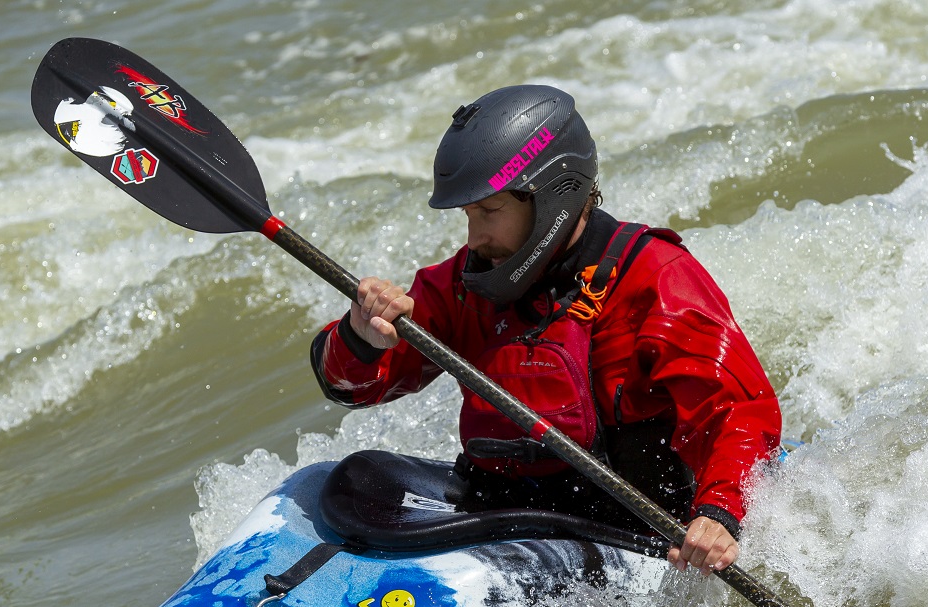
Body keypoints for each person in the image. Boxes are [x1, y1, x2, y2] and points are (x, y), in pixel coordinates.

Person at [310, 85, 781, 576]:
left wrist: (718, 513)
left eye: (490, 212)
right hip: (500, 516)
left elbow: (739, 411)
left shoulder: (657, 279)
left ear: (552, 194)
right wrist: (360, 336)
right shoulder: (463, 285)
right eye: (470, 215)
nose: (475, 237)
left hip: (628, 532)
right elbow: (352, 385)